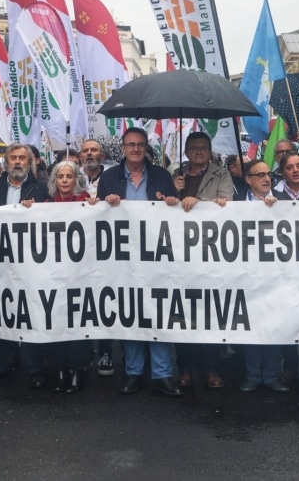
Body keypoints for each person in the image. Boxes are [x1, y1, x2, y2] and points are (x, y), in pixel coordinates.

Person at [97, 126, 183, 397]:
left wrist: (172, 201)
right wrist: (106, 203)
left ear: (147, 148)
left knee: (157, 311)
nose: (135, 149)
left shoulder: (161, 175)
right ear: (123, 148)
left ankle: (163, 374)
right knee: (130, 311)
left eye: (140, 145)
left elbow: (174, 210)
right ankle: (133, 372)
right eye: (131, 144)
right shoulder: (109, 177)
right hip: (122, 258)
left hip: (156, 255)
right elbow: (97, 215)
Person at [0, 143, 50, 389]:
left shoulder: (41, 189)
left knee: (30, 313)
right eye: (13, 158)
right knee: (0, 312)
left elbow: (53, 221)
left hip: (31, 263)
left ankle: (35, 369)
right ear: (6, 162)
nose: (17, 162)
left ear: (31, 163)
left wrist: (37, 210)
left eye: (22, 158)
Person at [172, 132, 232, 390]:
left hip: (210, 252)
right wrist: (172, 193)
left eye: (203, 148)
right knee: (182, 314)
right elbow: (162, 204)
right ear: (186, 152)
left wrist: (199, 203)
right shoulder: (176, 174)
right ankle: (184, 368)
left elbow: (227, 204)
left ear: (210, 152)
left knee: (209, 314)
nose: (198, 152)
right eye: (194, 148)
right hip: (180, 254)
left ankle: (211, 369)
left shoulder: (221, 174)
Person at [43, 161, 97, 393]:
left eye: (69, 176)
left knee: (77, 322)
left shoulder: (88, 203)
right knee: (56, 322)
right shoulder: (44, 206)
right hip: (54, 275)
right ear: (55, 181)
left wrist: (97, 206)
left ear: (76, 179)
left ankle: (77, 369)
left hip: (80, 275)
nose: (65, 180)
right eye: (60, 176)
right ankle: (59, 369)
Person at [237, 159, 289, 393]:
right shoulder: (234, 203)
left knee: (273, 325)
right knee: (251, 326)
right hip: (246, 275)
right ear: (248, 179)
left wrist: (279, 209)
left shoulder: (283, 201)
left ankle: (271, 375)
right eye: (260, 175)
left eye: (269, 174)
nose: (267, 179)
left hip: (275, 276)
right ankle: (253, 375)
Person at [270, 151, 299, 384]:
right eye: (290, 167)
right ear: (283, 171)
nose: (295, 170)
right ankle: (291, 366)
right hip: (283, 266)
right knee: (287, 318)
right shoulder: (273, 195)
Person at [79, 138, 115, 376]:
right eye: (85, 150)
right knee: (80, 303)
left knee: (105, 301)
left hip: (106, 251)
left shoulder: (113, 178)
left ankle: (105, 350)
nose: (89, 154)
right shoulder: (70, 176)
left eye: (94, 150)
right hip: (78, 253)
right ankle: (82, 351)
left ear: (102, 156)